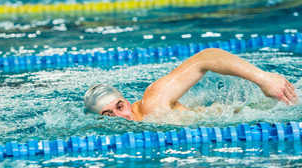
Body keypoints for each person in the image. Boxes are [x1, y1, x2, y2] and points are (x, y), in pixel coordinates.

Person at [84, 48, 298, 121]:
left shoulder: (153, 101)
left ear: (127, 102)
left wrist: (263, 79)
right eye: (108, 114)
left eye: (119, 106)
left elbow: (206, 57)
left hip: (251, 113)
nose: (119, 116)